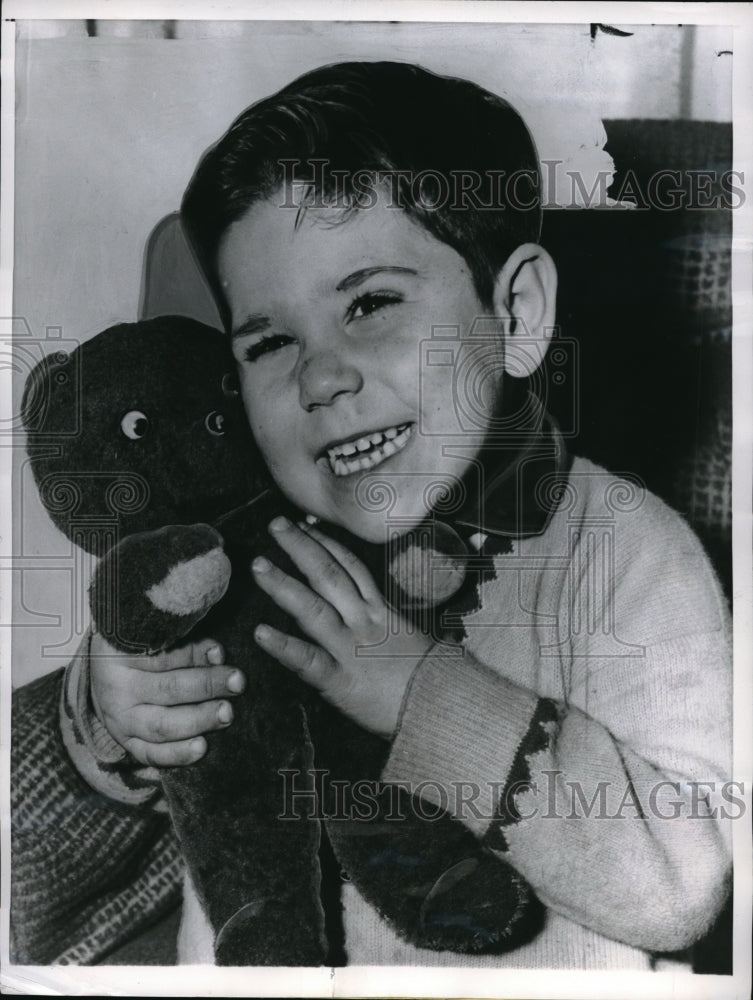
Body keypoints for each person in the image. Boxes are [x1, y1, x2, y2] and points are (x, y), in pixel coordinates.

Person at [11, 61, 732, 970]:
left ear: (515, 314)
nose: (320, 377)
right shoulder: (235, 559)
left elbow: (687, 886)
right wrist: (110, 727)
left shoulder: (632, 554)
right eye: (270, 342)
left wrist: (424, 695)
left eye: (371, 304)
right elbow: (39, 905)